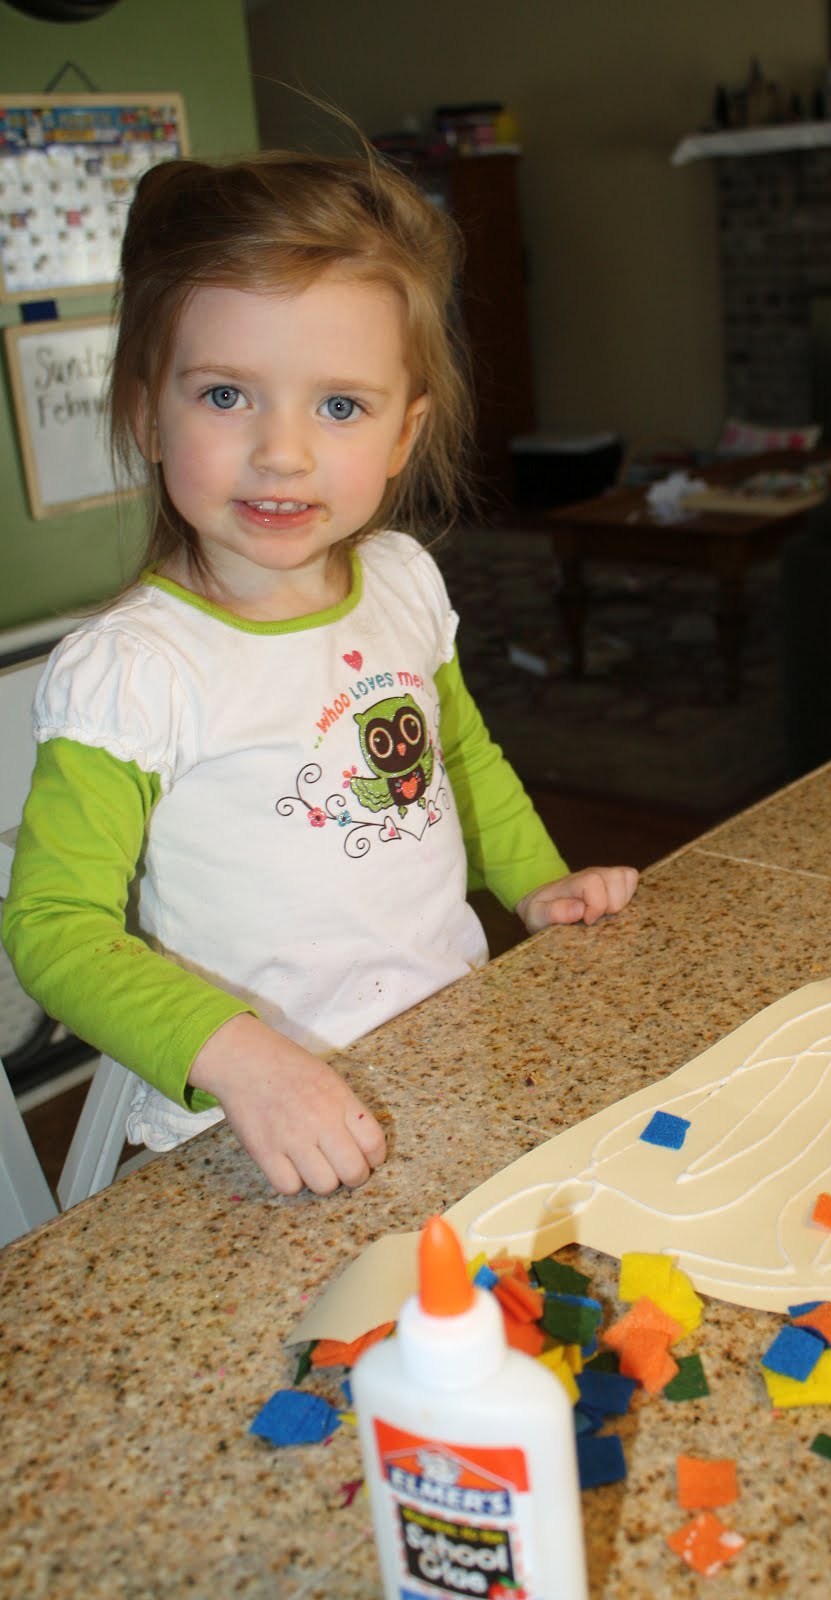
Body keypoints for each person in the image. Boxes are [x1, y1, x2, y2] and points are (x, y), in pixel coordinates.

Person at [1, 149, 638, 1198]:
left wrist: (533, 881)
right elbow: (53, 929)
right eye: (223, 395)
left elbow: (458, 759)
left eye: (338, 407)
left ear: (404, 431)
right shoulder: (134, 668)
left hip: (445, 1055)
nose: (282, 452)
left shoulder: (398, 577)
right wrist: (237, 1054)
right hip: (250, 1127)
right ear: (145, 411)